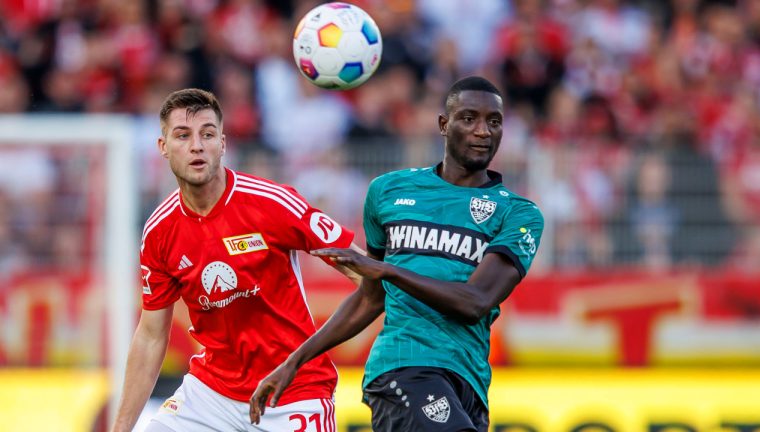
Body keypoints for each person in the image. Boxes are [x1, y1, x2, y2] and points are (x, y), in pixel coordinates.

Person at [251, 76, 545, 432]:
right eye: (469, 118)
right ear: (443, 124)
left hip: (468, 380)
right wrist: (294, 362)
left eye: (493, 122)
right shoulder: (388, 191)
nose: (483, 131)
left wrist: (388, 271)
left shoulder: (518, 213)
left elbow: (475, 300)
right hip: (403, 368)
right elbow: (369, 297)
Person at [111, 88, 361, 432]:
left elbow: (363, 270)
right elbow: (151, 335)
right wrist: (120, 428)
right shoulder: (159, 230)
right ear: (163, 147)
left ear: (223, 144)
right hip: (211, 394)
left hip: (291, 391)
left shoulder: (270, 202)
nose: (196, 145)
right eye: (183, 135)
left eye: (207, 134)